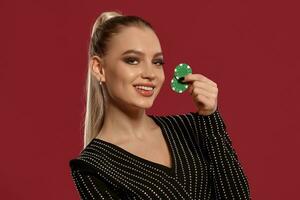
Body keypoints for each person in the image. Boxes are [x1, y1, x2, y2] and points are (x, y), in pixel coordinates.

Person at [69, 10, 251, 200]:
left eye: (157, 62)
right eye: (132, 60)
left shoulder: (190, 127)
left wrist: (210, 116)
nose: (150, 73)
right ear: (99, 68)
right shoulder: (92, 167)